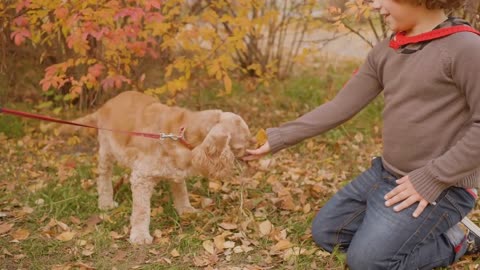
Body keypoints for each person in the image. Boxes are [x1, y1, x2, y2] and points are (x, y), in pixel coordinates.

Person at [243, 0, 480, 269]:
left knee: (368, 263)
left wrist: (432, 177)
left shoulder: (466, 48)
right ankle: (404, 229)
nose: (375, 5)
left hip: (443, 187)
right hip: (387, 175)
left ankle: (458, 238)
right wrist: (278, 138)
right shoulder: (387, 50)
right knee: (327, 234)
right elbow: (340, 106)